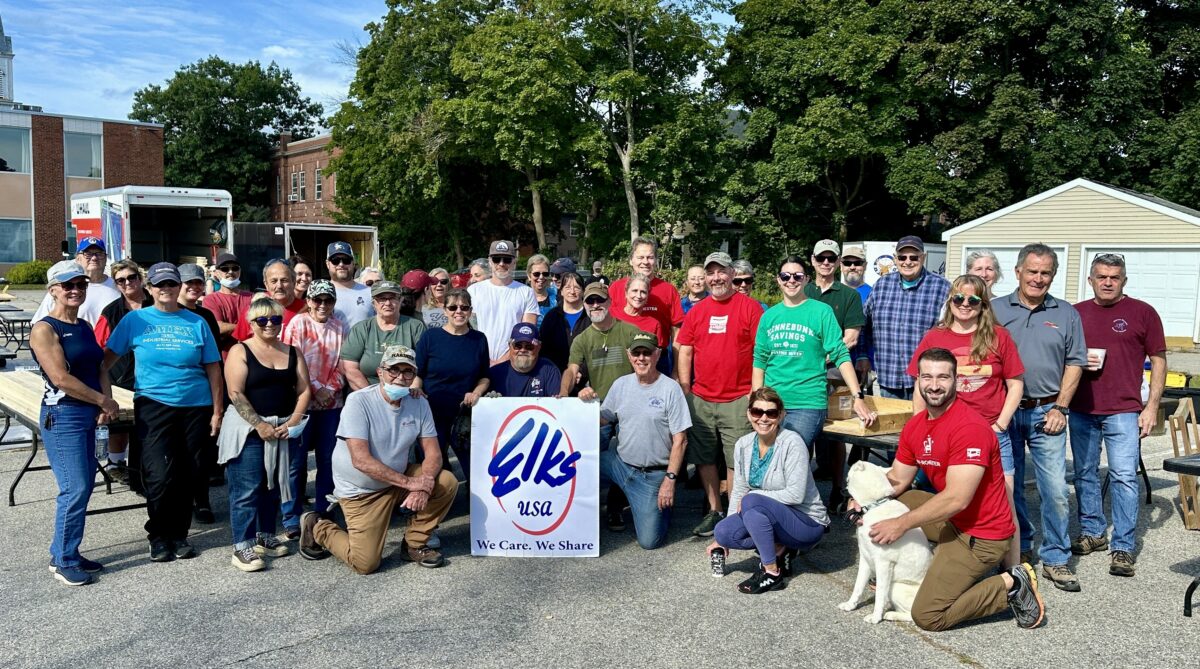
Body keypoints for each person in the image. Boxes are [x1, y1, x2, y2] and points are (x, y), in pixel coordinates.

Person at [856, 348, 1045, 631]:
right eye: (928, 376)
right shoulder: (917, 425)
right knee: (898, 500)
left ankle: (1012, 583)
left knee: (929, 615)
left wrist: (899, 525)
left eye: (943, 377)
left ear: (956, 380)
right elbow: (896, 479)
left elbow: (957, 498)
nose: (934, 385)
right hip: (954, 520)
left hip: (982, 536)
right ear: (917, 379)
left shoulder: (969, 427)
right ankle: (921, 565)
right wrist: (863, 502)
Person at [299, 345, 460, 574]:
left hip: (397, 480)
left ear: (414, 376)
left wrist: (422, 485)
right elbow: (361, 460)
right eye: (394, 370)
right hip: (361, 491)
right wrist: (411, 484)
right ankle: (318, 526)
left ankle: (415, 544)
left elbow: (433, 452)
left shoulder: (419, 402)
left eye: (408, 372)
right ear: (380, 371)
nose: (400, 377)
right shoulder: (359, 401)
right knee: (365, 564)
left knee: (446, 481)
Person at [103, 262, 223, 563]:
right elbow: (104, 363)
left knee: (189, 472)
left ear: (178, 286)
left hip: (196, 406)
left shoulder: (197, 322)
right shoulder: (136, 320)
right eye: (160, 285)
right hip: (154, 405)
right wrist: (105, 399)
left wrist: (218, 411)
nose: (166, 289)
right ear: (149, 288)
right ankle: (158, 535)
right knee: (159, 474)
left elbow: (213, 368)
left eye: (171, 284)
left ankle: (179, 535)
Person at [907, 274, 1025, 568]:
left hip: (991, 433)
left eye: (973, 299)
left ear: (983, 304)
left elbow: (1016, 384)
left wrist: (1000, 424)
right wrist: (919, 426)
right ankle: (942, 564)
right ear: (950, 301)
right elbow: (920, 387)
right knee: (945, 502)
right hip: (947, 434)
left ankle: (1015, 573)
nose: (965, 304)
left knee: (1005, 506)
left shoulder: (999, 336)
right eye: (959, 298)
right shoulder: (935, 337)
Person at [993, 243, 1086, 592]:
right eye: (1032, 271)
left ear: (1054, 275)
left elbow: (1075, 361)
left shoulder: (1066, 313)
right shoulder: (995, 309)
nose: (1038, 278)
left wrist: (1061, 407)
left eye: (1045, 272)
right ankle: (1023, 548)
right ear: (1018, 272)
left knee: (1056, 490)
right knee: (1009, 488)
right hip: (1004, 412)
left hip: (1047, 411)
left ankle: (1058, 558)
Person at [1069, 253, 1166, 578]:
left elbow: (1159, 360)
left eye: (1114, 277)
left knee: (1124, 476)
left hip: (1124, 410)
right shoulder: (1076, 313)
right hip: (1082, 408)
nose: (1108, 282)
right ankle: (1094, 531)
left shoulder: (1143, 313)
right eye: (1101, 276)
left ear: (1123, 280)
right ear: (1091, 279)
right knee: (1084, 473)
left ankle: (1122, 546)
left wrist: (1151, 406)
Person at [752, 256, 875, 495]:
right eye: (786, 276)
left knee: (789, 452)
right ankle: (789, 511)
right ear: (779, 280)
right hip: (773, 402)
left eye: (797, 276)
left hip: (807, 402)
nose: (791, 281)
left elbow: (840, 354)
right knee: (774, 459)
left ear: (806, 279)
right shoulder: (769, 316)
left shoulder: (821, 312)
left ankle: (805, 512)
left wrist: (857, 395)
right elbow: (760, 359)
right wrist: (756, 398)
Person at [30, 261, 120, 586]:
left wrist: (104, 403)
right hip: (63, 414)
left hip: (88, 414)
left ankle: (67, 550)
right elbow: (60, 378)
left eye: (80, 285)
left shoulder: (82, 325)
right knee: (75, 487)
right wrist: (101, 401)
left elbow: (100, 368)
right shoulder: (45, 328)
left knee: (83, 486)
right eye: (68, 285)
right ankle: (64, 560)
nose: (75, 290)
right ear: (53, 290)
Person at [217, 296, 311, 571]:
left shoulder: (293, 351)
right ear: (251, 323)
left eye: (275, 319)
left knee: (273, 486)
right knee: (246, 489)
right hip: (248, 430)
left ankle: (265, 536)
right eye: (262, 320)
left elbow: (304, 390)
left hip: (283, 428)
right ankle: (242, 546)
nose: (270, 324)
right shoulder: (240, 351)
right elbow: (235, 392)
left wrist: (293, 421)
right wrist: (259, 424)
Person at [676, 251, 764, 537]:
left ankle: (734, 512)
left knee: (735, 459)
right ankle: (715, 510)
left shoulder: (750, 308)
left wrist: (754, 391)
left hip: (737, 398)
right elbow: (685, 348)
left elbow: (760, 353)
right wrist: (686, 389)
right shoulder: (698, 310)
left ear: (731, 274)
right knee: (703, 458)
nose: (716, 278)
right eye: (710, 272)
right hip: (701, 398)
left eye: (721, 272)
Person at [708, 387, 828, 594]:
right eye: (757, 412)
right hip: (771, 515)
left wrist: (754, 496)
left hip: (806, 522)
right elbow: (739, 489)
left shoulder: (792, 443)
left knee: (751, 502)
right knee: (724, 531)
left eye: (771, 413)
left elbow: (796, 494)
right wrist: (724, 531)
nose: (763, 418)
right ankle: (781, 549)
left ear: (780, 415)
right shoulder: (743, 445)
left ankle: (772, 572)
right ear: (749, 413)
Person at [598, 333, 691, 550]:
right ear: (629, 356)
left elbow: (681, 441)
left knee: (650, 542)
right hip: (620, 465)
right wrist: (582, 401)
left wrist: (669, 481)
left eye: (647, 352)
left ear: (657, 354)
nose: (641, 358)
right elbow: (603, 419)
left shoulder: (670, 389)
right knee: (578, 466)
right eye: (636, 353)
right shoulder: (621, 385)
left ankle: (662, 507)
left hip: (652, 476)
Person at [805, 240, 867, 510]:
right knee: (802, 432)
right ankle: (803, 489)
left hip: (835, 372)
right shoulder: (802, 289)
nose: (826, 263)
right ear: (813, 260)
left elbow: (851, 338)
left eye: (832, 258)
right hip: (804, 374)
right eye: (822, 258)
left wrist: (819, 357)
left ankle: (837, 489)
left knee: (836, 433)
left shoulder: (849, 295)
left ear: (839, 262)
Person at [282, 280, 347, 532]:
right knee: (295, 462)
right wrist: (315, 388)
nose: (322, 305)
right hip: (302, 402)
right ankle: (291, 516)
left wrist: (329, 389)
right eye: (317, 300)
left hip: (332, 403)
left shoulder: (339, 327)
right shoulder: (298, 324)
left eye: (328, 300)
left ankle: (324, 511)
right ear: (308, 300)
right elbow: (291, 360)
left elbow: (344, 361)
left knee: (329, 459)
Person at [412, 288, 490, 482]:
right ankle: (435, 502)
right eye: (453, 307)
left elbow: (485, 376)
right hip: (433, 411)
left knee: (473, 466)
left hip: (465, 413)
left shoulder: (479, 339)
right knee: (433, 464)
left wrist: (477, 392)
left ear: (470, 311)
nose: (459, 312)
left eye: (464, 307)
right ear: (445, 310)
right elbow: (418, 373)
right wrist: (416, 389)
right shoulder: (431, 337)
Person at [861, 235, 952, 400]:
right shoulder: (881, 285)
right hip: (888, 377)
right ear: (895, 259)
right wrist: (863, 355)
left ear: (923, 258)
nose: (907, 262)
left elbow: (951, 332)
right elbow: (863, 325)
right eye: (902, 257)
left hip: (927, 381)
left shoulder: (942, 287)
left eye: (913, 257)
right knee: (892, 426)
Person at [92, 258, 150, 484]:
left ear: (140, 277)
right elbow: (98, 347)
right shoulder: (111, 312)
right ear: (116, 284)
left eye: (131, 277)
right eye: (121, 280)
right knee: (120, 426)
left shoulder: (157, 302)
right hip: (121, 377)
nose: (127, 283)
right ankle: (117, 464)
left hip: (151, 377)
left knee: (145, 431)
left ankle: (144, 472)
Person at [178, 263, 223, 523]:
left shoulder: (206, 316)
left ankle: (202, 501)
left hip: (204, 392)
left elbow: (214, 358)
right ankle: (182, 502)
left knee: (201, 452)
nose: (194, 287)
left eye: (198, 282)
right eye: (188, 283)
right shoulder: (171, 312)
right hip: (177, 393)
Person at [560, 283, 641, 402]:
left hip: (630, 404)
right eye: (590, 301)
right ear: (584, 304)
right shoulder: (581, 340)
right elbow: (572, 370)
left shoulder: (631, 331)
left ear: (609, 301)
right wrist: (563, 392)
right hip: (600, 407)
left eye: (600, 299)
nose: (595, 305)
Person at [608, 237, 684, 366]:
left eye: (650, 257)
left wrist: (676, 369)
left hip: (657, 359)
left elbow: (677, 333)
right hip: (621, 359)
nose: (645, 262)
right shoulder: (616, 288)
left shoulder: (668, 290)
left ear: (656, 261)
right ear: (631, 260)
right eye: (640, 257)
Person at [341, 280, 427, 389]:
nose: (387, 303)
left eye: (392, 298)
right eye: (382, 299)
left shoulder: (415, 327)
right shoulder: (361, 329)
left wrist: (412, 392)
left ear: (400, 300)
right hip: (367, 392)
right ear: (374, 304)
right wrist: (373, 396)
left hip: (405, 392)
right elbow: (350, 368)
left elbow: (422, 366)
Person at [468, 240, 539, 365]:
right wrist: (484, 359)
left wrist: (503, 360)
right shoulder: (473, 291)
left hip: (512, 362)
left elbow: (527, 333)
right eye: (496, 259)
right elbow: (467, 329)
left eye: (507, 259)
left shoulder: (526, 292)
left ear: (514, 262)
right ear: (489, 261)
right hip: (477, 359)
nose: (501, 263)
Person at [33, 236, 121, 326]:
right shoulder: (62, 288)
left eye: (99, 253)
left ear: (106, 258)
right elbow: (39, 324)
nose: (94, 258)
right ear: (78, 259)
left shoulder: (118, 286)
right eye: (88, 254)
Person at [231, 259, 307, 341]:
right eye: (274, 281)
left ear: (293, 282)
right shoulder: (252, 310)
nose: (279, 286)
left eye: (284, 280)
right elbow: (241, 345)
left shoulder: (306, 310)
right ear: (266, 284)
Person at [488, 323, 562, 397]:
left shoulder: (550, 371)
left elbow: (555, 405)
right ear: (510, 346)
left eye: (529, 346)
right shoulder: (494, 374)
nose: (523, 350)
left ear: (539, 347)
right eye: (518, 346)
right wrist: (488, 401)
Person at [201, 251, 253, 357]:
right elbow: (218, 328)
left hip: (252, 357)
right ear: (216, 273)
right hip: (224, 358)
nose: (230, 272)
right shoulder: (210, 300)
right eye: (225, 268)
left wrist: (230, 328)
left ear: (240, 271)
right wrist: (248, 326)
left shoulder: (252, 297)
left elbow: (262, 325)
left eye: (235, 268)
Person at [613, 273, 667, 372]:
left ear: (647, 296)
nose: (638, 296)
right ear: (626, 292)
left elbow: (655, 356)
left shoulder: (654, 324)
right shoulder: (612, 315)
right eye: (634, 291)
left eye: (643, 292)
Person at [539, 271, 588, 372]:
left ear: (583, 291)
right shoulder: (551, 316)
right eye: (568, 287)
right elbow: (544, 349)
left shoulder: (590, 316)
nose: (572, 291)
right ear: (561, 291)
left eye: (577, 287)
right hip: (555, 374)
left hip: (585, 376)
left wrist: (582, 371)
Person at [327, 241, 373, 329]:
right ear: (327, 264)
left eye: (346, 260)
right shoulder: (319, 296)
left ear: (353, 263)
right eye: (335, 261)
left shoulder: (369, 292)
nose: (341, 264)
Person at [526, 254, 557, 326]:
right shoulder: (522, 297)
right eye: (536, 274)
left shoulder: (557, 297)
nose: (541, 277)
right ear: (529, 276)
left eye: (545, 274)